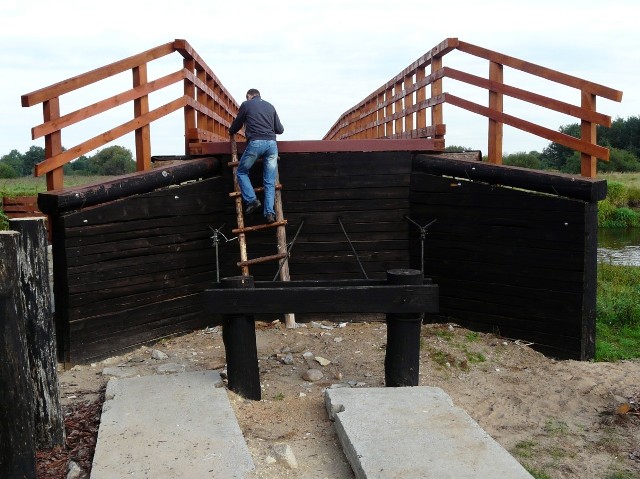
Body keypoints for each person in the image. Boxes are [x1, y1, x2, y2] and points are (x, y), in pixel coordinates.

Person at [229, 88, 284, 224]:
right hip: (272, 145)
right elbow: (280, 129)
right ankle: (270, 214)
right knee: (270, 181)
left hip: (256, 143)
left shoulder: (246, 104)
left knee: (241, 171)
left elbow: (238, 123)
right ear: (259, 95)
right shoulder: (270, 106)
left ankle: (252, 200)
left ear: (249, 96)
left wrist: (231, 131)